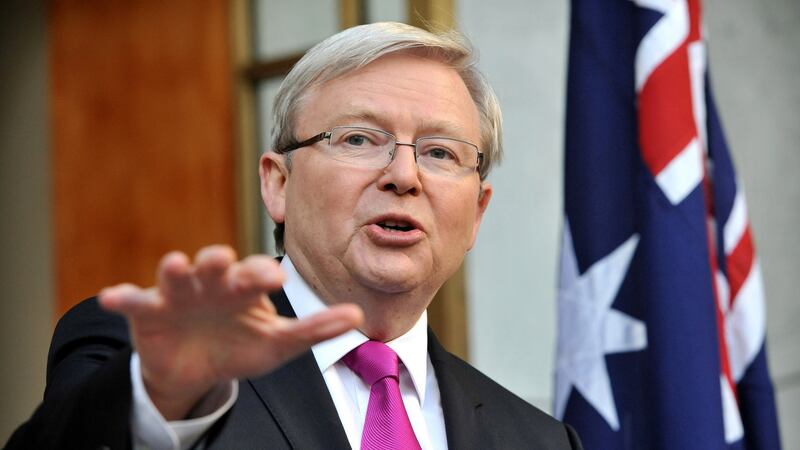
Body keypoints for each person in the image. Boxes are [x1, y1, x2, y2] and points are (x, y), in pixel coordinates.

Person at [6, 22, 582, 450]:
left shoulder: (538, 439)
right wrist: (156, 401)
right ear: (278, 183)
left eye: (439, 152)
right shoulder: (146, 358)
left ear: (477, 212)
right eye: (358, 139)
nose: (403, 176)